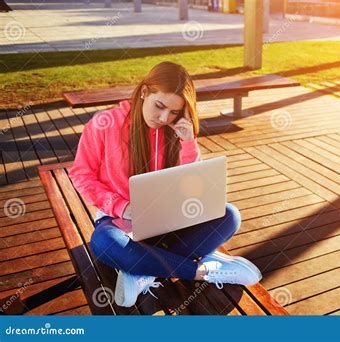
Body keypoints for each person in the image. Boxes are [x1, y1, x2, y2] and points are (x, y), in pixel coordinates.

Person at [69, 61, 261, 307]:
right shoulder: (104, 124)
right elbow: (81, 175)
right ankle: (205, 270)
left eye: (173, 112)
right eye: (159, 106)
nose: (164, 118)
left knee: (229, 216)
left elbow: (193, 185)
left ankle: (140, 271)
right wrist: (121, 206)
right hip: (120, 223)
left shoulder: (175, 129)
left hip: (169, 223)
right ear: (144, 92)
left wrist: (189, 143)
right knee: (104, 244)